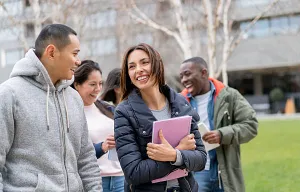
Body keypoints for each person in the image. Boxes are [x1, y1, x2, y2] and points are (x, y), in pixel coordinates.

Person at [0, 24, 101, 191]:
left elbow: (86, 158)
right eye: (74, 53)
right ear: (52, 52)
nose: (78, 61)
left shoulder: (74, 98)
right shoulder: (9, 94)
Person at [114, 43, 207, 192]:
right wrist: (178, 152)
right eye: (132, 66)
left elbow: (201, 159)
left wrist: (174, 154)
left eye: (144, 62)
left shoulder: (180, 102)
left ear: (157, 64)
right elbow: (133, 173)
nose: (138, 69)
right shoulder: (123, 112)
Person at [179, 57, 258, 192]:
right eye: (181, 76)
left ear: (204, 73)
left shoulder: (229, 96)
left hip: (225, 171)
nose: (183, 80)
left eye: (187, 74)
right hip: (196, 173)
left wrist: (222, 135)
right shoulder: (179, 102)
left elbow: (251, 125)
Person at [73, 60, 124, 192]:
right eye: (92, 84)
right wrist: (102, 147)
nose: (98, 89)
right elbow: (75, 155)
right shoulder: (71, 113)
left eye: (100, 83)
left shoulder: (108, 108)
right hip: (94, 182)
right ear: (77, 84)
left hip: (120, 178)